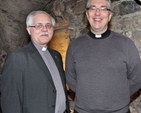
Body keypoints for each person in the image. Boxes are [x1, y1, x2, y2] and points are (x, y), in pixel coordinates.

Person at [65, 0, 141, 113]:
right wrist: (86, 94)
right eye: (93, 8)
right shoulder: (75, 45)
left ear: (110, 15)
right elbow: (70, 78)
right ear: (87, 14)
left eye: (103, 9)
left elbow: (137, 77)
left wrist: (119, 95)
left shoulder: (126, 44)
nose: (97, 13)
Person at [1, 10, 69, 113]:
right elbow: (10, 100)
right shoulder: (17, 58)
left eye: (48, 25)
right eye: (38, 26)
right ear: (29, 30)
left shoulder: (56, 55)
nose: (44, 29)